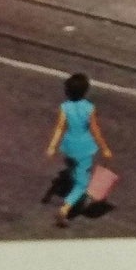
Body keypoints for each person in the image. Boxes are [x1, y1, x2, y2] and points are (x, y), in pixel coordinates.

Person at [45, 73, 113, 227]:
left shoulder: (65, 107)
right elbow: (95, 130)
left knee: (73, 167)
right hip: (84, 148)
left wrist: (52, 146)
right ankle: (65, 209)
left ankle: (71, 178)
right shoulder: (89, 108)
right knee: (83, 184)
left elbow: (59, 128)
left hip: (69, 146)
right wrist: (105, 148)